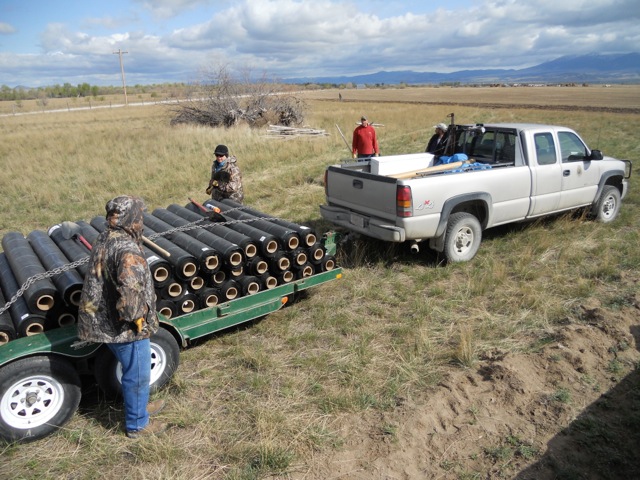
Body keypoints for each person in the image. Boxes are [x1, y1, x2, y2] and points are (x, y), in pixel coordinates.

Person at [78, 195, 166, 439]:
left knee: (131, 369)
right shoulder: (127, 249)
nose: (142, 219)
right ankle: (138, 424)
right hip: (125, 327)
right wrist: (137, 319)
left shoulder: (105, 236)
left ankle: (139, 409)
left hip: (101, 319)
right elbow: (130, 290)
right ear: (131, 218)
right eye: (139, 215)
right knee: (137, 375)